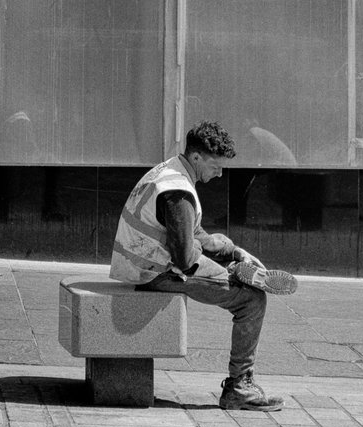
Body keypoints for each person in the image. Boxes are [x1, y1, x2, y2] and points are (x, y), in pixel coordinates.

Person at [109, 120, 298, 411]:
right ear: (196, 157)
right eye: (216, 166)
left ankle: (237, 265)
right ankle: (239, 387)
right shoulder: (178, 192)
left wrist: (230, 249)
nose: (220, 173)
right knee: (252, 299)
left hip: (146, 262)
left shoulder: (170, 170)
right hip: (155, 271)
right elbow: (185, 260)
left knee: (221, 249)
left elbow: (190, 234)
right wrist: (220, 267)